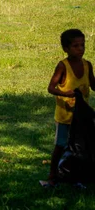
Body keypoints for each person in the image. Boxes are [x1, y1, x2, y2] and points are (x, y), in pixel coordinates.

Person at [44, 29, 95, 187]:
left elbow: (93, 85)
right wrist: (64, 93)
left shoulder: (87, 65)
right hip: (65, 117)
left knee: (81, 146)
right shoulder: (63, 66)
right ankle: (53, 174)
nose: (80, 49)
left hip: (81, 118)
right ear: (66, 48)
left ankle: (77, 174)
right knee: (61, 145)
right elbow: (51, 88)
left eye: (82, 45)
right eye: (75, 46)